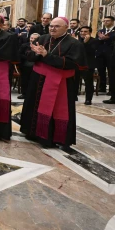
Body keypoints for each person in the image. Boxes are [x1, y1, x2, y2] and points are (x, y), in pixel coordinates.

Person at [20, 17, 87, 149]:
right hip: (38, 79)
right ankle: (32, 132)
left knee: (55, 109)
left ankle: (50, 137)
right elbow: (28, 54)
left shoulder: (74, 44)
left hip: (60, 82)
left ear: (66, 28)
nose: (52, 28)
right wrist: (35, 54)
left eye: (56, 26)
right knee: (33, 105)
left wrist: (46, 55)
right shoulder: (43, 38)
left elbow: (72, 64)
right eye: (51, 26)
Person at [96, 16, 115, 94]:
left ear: (112, 21)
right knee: (101, 71)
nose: (105, 22)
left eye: (108, 21)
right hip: (100, 55)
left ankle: (111, 90)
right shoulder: (100, 31)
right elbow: (96, 42)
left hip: (111, 54)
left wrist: (107, 38)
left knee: (111, 72)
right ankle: (102, 87)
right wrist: (100, 38)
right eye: (104, 21)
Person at [75, 26, 98, 105]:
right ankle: (74, 96)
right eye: (81, 31)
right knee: (74, 81)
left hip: (88, 65)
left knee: (88, 83)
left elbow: (90, 51)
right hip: (76, 64)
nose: (83, 33)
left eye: (85, 31)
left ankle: (88, 99)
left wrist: (86, 42)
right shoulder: (76, 40)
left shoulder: (94, 41)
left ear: (90, 33)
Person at [18, 33, 40, 99]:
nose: (32, 39)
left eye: (34, 38)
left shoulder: (40, 46)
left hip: (37, 64)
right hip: (25, 64)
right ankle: (24, 93)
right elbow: (19, 54)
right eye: (31, 38)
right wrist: (28, 57)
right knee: (25, 79)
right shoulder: (24, 45)